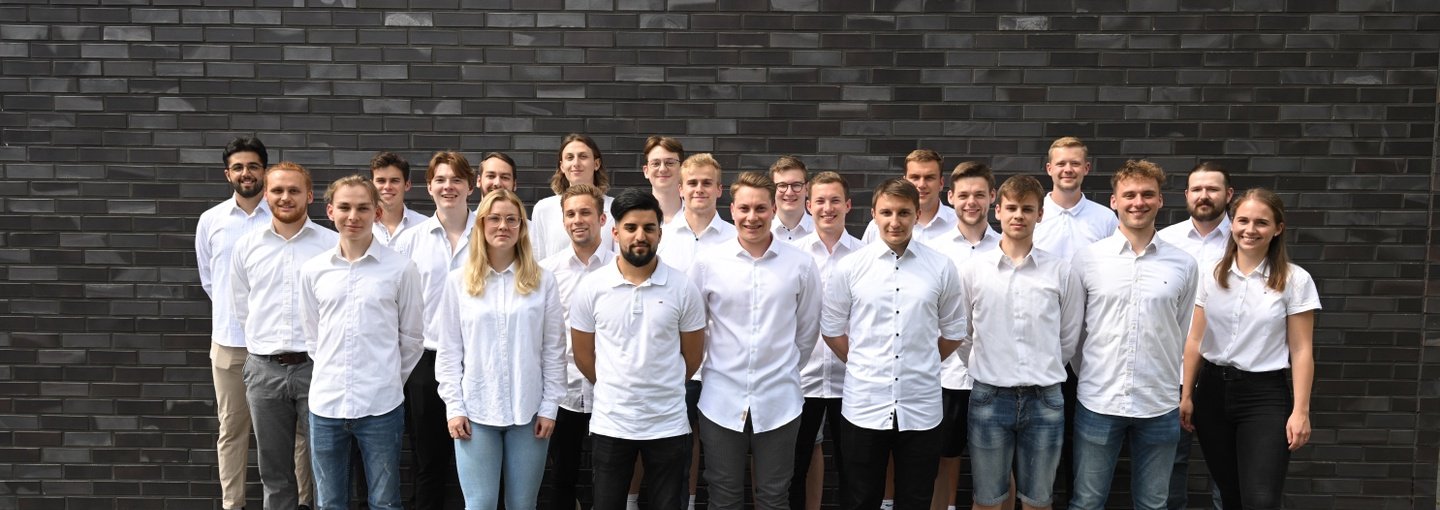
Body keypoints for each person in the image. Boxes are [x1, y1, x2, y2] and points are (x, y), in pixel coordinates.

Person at [821, 178, 968, 510]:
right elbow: (831, 329)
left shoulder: (941, 267)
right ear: (873, 214)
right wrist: (862, 363)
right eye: (886, 212)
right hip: (864, 405)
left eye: (903, 212)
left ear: (917, 214)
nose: (895, 221)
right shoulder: (850, 268)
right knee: (860, 499)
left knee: (915, 499)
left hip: (921, 407)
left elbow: (955, 331)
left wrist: (926, 361)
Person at [1068, 160, 1198, 510]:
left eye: (1146, 195)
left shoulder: (1183, 264)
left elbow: (1180, 330)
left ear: (1160, 201)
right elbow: (1075, 335)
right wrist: (1094, 373)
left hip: (1158, 404)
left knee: (1153, 504)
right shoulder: (1088, 259)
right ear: (1114, 201)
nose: (1137, 202)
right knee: (1086, 502)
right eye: (1129, 195)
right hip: (1098, 400)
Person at [690, 171, 822, 510]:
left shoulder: (801, 265)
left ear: (774, 209)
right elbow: (694, 327)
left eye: (761, 209)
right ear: (731, 210)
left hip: (780, 399)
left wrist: (783, 367)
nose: (752, 217)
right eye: (744, 208)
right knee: (723, 495)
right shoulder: (707, 263)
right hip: (720, 397)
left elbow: (806, 332)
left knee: (775, 497)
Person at [1180, 188, 1318, 509]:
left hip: (1264, 397)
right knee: (1230, 494)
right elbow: (1196, 340)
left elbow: (1301, 351)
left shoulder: (1295, 280)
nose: (1250, 230)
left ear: (1277, 229)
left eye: (1261, 223)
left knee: (1260, 499)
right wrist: (1187, 394)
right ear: (1232, 223)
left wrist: (1301, 411)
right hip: (1212, 393)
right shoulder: (1212, 275)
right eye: (1242, 220)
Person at [570, 189, 706, 510]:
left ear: (660, 232)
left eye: (648, 227)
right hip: (611, 421)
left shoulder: (683, 287)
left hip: (668, 422)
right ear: (615, 232)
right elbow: (583, 355)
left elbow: (693, 357)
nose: (640, 236)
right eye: (631, 228)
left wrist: (660, 383)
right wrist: (615, 384)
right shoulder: (592, 287)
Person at [436, 189, 567, 510]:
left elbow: (553, 349)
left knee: (523, 505)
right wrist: (454, 407)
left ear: (522, 228)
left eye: (512, 219)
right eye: (494, 218)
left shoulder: (543, 281)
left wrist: (550, 406)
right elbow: (449, 351)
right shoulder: (458, 282)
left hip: (530, 413)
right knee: (479, 504)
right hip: (476, 413)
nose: (503, 226)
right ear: (480, 225)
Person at [300, 175, 424, 510]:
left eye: (362, 208)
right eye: (345, 207)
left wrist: (385, 379)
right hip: (326, 405)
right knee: (329, 503)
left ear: (377, 214)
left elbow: (412, 338)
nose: (353, 215)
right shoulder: (312, 271)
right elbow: (314, 336)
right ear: (330, 211)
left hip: (381, 406)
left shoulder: (401, 269)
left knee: (385, 502)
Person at [963, 175, 1083, 510]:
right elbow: (963, 334)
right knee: (987, 500)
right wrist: (987, 365)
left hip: (1044, 399)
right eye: (1012, 208)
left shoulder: (1060, 272)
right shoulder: (974, 270)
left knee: (1038, 500)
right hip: (990, 396)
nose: (1019, 215)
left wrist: (1041, 366)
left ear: (1040, 214)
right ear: (997, 210)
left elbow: (1069, 337)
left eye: (1027, 209)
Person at [230, 161, 337, 510]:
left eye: (294, 190)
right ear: (266, 194)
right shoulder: (247, 247)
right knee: (274, 473)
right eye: (277, 190)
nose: (285, 197)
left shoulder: (332, 245)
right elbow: (242, 306)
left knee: (326, 470)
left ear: (309, 195)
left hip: (317, 369)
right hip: (264, 371)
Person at [195, 136, 286, 510]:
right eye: (238, 167)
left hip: (279, 346)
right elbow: (210, 280)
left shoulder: (283, 215)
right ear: (227, 173)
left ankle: (296, 504)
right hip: (230, 344)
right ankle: (232, 505)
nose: (246, 173)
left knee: (289, 434)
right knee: (232, 431)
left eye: (253, 166)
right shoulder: (211, 221)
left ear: (264, 171)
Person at [391, 151, 477, 510]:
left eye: (456, 179)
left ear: (470, 186)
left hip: (478, 360)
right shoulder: (411, 240)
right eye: (440, 180)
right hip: (425, 363)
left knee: (476, 461)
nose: (448, 187)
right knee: (428, 461)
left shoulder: (488, 236)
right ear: (428, 187)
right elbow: (395, 304)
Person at [655, 152, 736, 510]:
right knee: (676, 445)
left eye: (707, 182)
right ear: (680, 188)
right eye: (693, 183)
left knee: (720, 452)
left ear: (720, 189)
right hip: (674, 363)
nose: (699, 189)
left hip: (724, 364)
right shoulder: (663, 237)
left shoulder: (737, 238)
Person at [1157, 162, 1235, 510]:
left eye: (1213, 189)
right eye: (1198, 189)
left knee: (1227, 470)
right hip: (1173, 372)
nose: (1205, 196)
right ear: (1187, 195)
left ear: (1228, 195)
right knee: (1170, 466)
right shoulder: (1166, 240)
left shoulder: (1245, 238)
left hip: (1225, 371)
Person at [925, 161, 1001, 510]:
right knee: (945, 457)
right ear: (950, 197)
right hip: (948, 377)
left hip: (998, 376)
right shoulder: (934, 251)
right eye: (965, 195)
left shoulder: (1007, 247)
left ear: (993, 198)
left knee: (1001, 464)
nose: (972, 202)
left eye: (980, 195)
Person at [539, 184, 615, 510]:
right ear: (563, 220)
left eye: (585, 212)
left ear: (601, 218)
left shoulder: (620, 269)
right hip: (562, 392)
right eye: (571, 213)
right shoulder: (546, 273)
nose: (578, 219)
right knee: (561, 480)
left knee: (610, 479)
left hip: (611, 392)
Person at [790, 171, 862, 510]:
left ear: (848, 205)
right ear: (808, 206)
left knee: (854, 473)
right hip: (801, 381)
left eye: (835, 200)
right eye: (819, 201)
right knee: (794, 472)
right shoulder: (792, 256)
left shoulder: (866, 256)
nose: (827, 207)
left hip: (853, 383)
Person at [530, 133, 616, 259]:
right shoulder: (543, 208)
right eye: (569, 158)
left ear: (596, 164)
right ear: (562, 166)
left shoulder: (615, 208)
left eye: (583, 156)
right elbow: (538, 260)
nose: (576, 163)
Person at [1032, 137, 1118, 261]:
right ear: (1049, 169)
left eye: (1075, 163)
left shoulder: (1106, 218)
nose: (1068, 170)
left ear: (1086, 168)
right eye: (1061, 164)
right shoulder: (1030, 214)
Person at [862, 149, 957, 243]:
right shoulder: (876, 227)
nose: (921, 185)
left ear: (941, 183)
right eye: (915, 177)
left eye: (929, 178)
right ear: (905, 182)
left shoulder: (957, 223)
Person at [370, 151, 429, 247]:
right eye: (381, 181)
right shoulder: (361, 225)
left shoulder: (425, 226)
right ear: (371, 185)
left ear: (407, 185)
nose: (387, 187)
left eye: (394, 181)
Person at [770, 156, 814, 243]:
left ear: (807, 189)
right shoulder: (760, 231)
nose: (789, 193)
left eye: (796, 185)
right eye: (782, 185)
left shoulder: (821, 231)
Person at [643, 136, 686, 222]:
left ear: (682, 169)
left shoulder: (698, 216)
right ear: (646, 171)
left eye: (670, 163)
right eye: (655, 163)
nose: (662, 169)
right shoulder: (632, 216)